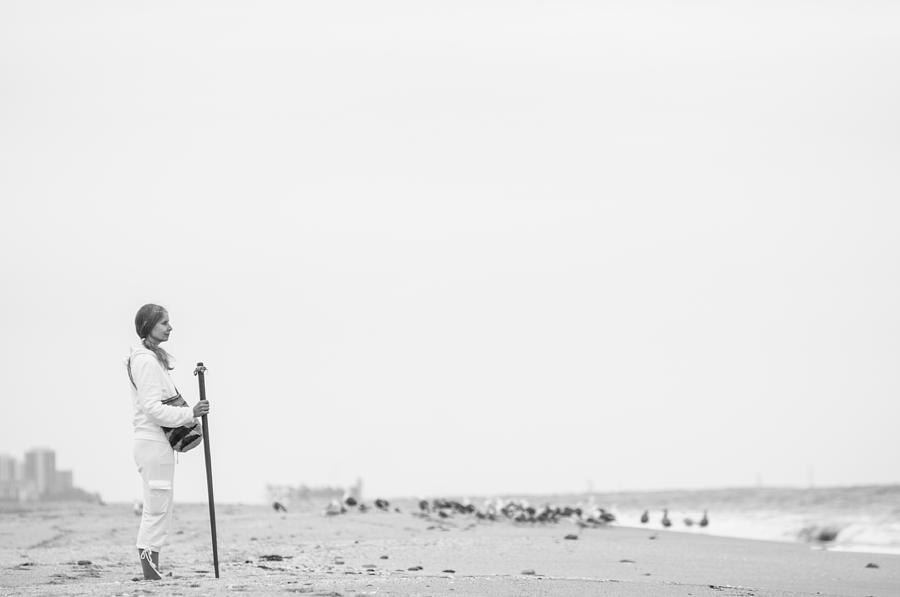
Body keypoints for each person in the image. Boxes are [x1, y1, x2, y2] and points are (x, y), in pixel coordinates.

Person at [127, 304, 210, 580]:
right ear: (149, 326)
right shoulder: (146, 362)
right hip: (152, 443)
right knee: (157, 506)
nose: (170, 327)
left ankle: (154, 568)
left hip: (155, 444)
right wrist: (191, 413)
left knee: (160, 505)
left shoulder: (151, 359)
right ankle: (150, 571)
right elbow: (152, 408)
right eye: (164, 322)